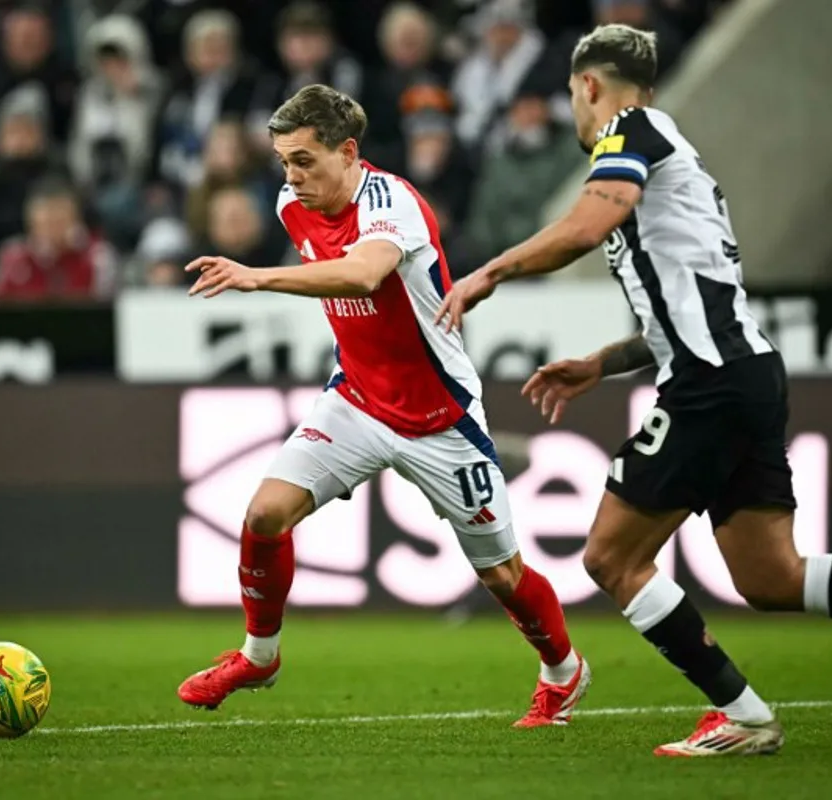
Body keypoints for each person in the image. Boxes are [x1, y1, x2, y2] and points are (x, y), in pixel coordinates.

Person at [436, 23, 832, 757]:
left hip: (711, 384)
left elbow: (592, 223)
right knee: (769, 575)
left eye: (570, 94)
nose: (573, 109)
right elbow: (688, 302)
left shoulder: (632, 132)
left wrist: (489, 271)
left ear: (588, 87)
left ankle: (745, 716)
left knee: (609, 559)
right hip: (741, 371)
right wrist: (603, 361)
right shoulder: (668, 154)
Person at [176, 84, 589, 728]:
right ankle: (260, 656)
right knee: (264, 515)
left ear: (347, 152)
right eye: (284, 161)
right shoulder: (292, 203)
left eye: (305, 160)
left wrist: (257, 276)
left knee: (503, 577)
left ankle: (563, 671)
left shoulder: (391, 201)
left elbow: (363, 273)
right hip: (357, 399)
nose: (291, 176)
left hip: (439, 417)